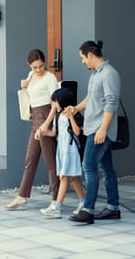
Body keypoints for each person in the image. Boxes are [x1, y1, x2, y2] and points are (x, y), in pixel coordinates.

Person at [68, 40, 121, 224]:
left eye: (82, 57)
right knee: (106, 169)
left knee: (88, 167)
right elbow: (90, 99)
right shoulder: (95, 74)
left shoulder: (109, 74)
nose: (82, 61)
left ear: (90, 54)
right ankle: (113, 208)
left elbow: (111, 103)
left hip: (99, 130)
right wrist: (75, 109)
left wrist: (103, 130)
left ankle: (88, 210)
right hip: (93, 128)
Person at [5, 49, 60, 210]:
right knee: (29, 160)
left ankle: (56, 199)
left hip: (46, 119)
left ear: (44, 62)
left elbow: (55, 104)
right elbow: (30, 97)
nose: (38, 69)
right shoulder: (30, 75)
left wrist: (46, 125)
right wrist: (24, 86)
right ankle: (22, 196)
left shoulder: (50, 78)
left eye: (41, 66)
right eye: (35, 67)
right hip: (35, 119)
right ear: (30, 65)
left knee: (51, 163)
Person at [39, 88, 86, 219]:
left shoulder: (74, 114)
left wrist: (71, 117)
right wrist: (43, 132)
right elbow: (54, 133)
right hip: (62, 149)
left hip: (71, 150)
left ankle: (57, 208)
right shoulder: (58, 115)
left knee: (64, 177)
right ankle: (84, 201)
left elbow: (77, 132)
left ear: (62, 101)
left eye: (55, 102)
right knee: (73, 178)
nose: (53, 104)